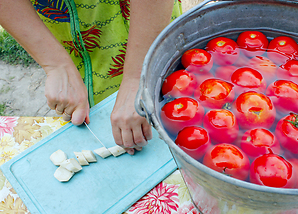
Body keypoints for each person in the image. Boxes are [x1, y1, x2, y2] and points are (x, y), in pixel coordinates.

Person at [0, 0, 182, 155]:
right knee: (104, 117)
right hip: (62, 33)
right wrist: (56, 64)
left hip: (143, 24)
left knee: (170, 109)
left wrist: (137, 77)